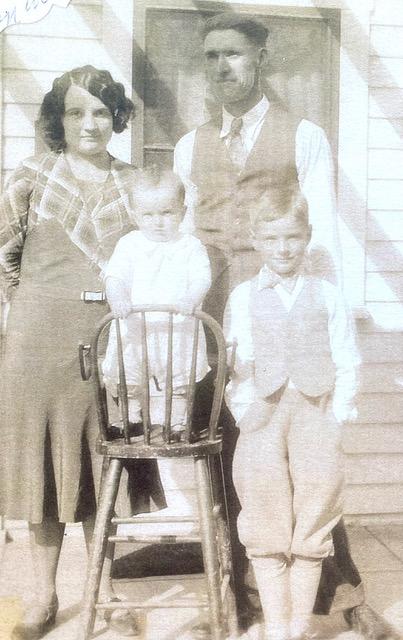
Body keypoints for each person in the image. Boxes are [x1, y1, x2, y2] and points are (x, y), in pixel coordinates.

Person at [173, 12, 376, 634]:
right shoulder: (190, 145)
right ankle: (237, 598)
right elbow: (181, 246)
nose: (221, 68)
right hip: (218, 321)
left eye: (232, 54)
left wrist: (324, 315)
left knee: (306, 461)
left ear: (259, 58)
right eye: (209, 57)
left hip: (288, 315)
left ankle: (339, 598)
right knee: (238, 461)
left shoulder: (303, 134)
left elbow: (322, 240)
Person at [0, 65, 149, 639]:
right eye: (76, 112)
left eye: (101, 112)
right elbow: (2, 252)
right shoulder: (33, 175)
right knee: (42, 472)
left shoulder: (135, 183)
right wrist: (31, 301)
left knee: (99, 465)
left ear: (116, 119)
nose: (90, 123)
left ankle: (102, 590)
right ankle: (42, 595)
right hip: (35, 343)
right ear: (58, 119)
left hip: (106, 343)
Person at [224, 185, 359, 640]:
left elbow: (346, 358)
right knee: (265, 519)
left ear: (307, 238)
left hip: (315, 417)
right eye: (272, 238)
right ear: (257, 240)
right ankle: (277, 627)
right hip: (262, 418)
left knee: (314, 516)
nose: (283, 248)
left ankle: (298, 627)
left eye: (293, 238)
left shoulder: (328, 296)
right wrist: (244, 410)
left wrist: (337, 415)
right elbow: (235, 363)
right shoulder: (243, 296)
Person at [103, 169, 211, 431]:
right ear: (134, 214)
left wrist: (191, 298)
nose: (158, 222)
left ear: (182, 213)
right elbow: (114, 277)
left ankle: (174, 422)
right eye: (148, 215)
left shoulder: (190, 246)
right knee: (129, 373)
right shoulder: (129, 245)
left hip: (177, 329)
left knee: (177, 379)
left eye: (166, 213)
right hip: (136, 327)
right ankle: (129, 417)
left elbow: (202, 278)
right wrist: (118, 299)